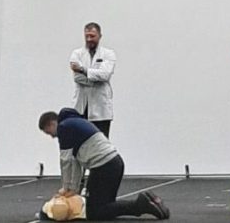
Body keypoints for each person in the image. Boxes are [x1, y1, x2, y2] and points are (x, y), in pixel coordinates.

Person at [38, 108, 170, 220]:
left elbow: (66, 162)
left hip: (103, 167)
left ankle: (141, 205)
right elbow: (76, 163)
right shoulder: (75, 122)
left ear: (51, 123)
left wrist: (65, 188)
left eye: (48, 132)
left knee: (94, 212)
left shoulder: (64, 128)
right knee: (106, 207)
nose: (52, 136)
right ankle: (148, 201)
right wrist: (73, 189)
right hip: (115, 163)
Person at [69, 23, 115, 138]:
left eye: (92, 36)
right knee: (80, 143)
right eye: (87, 36)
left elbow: (105, 75)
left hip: (101, 110)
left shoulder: (108, 54)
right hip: (81, 108)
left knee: (101, 144)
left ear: (100, 36)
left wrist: (83, 70)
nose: (89, 39)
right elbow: (77, 77)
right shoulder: (77, 54)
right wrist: (96, 78)